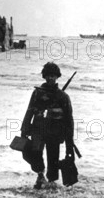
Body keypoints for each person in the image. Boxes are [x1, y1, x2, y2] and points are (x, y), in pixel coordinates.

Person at [21, 62, 74, 190]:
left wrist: (69, 144)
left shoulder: (63, 97)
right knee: (35, 154)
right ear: (44, 76)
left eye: (53, 75)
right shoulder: (37, 93)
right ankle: (40, 175)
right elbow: (29, 111)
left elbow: (69, 121)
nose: (50, 78)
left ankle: (51, 182)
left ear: (57, 77)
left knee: (53, 158)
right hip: (38, 129)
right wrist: (24, 130)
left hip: (54, 132)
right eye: (48, 75)